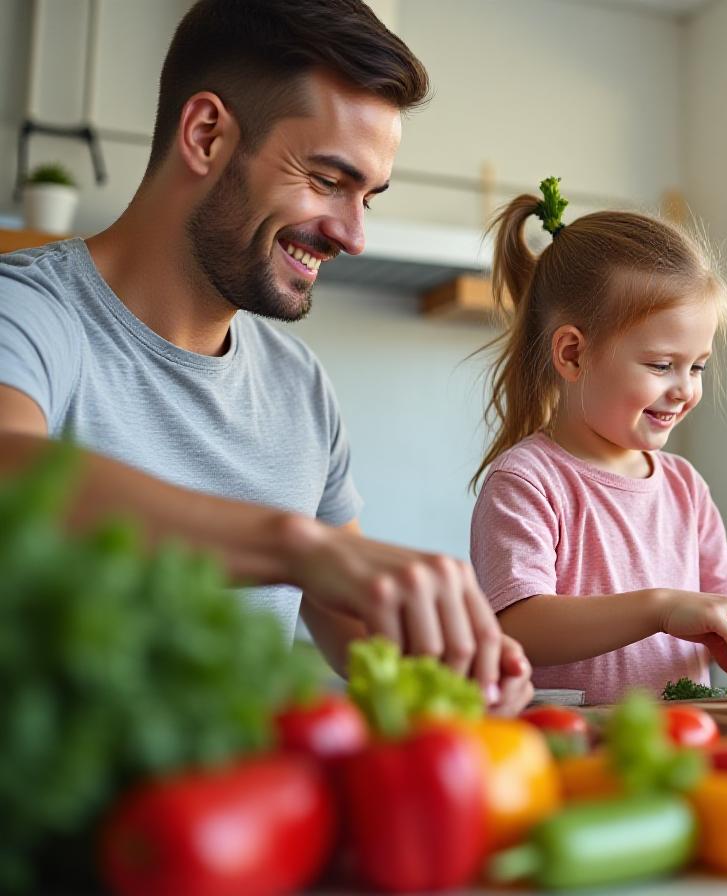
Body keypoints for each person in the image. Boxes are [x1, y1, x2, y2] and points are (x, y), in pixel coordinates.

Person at [0, 0, 531, 713]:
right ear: (207, 135)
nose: (353, 234)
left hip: (238, 816)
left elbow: (351, 627)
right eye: (327, 180)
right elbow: (12, 474)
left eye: (368, 196)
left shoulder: (299, 386)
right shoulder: (28, 310)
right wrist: (295, 545)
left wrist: (452, 653)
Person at [469, 178, 727, 705]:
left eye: (698, 366)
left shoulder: (685, 486)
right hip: (570, 753)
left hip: (681, 745)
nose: (686, 388)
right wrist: (662, 607)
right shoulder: (526, 481)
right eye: (662, 365)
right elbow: (519, 624)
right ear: (573, 354)